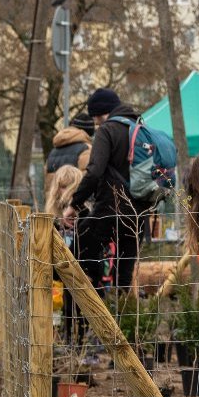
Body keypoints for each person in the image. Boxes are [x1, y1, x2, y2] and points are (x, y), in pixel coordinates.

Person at [62, 87, 142, 297]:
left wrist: (74, 204)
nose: (96, 123)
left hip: (110, 207)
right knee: (124, 271)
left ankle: (85, 320)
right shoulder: (139, 127)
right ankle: (122, 321)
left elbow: (94, 171)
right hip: (139, 210)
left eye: (96, 118)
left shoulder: (107, 130)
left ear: (100, 113)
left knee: (80, 257)